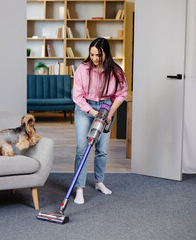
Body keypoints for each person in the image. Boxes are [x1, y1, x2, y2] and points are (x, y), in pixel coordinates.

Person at [72, 37, 127, 204]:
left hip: (105, 107)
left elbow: (121, 94)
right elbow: (77, 96)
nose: (94, 59)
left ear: (106, 54)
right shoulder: (83, 69)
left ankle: (99, 182)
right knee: (82, 148)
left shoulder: (116, 71)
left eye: (98, 55)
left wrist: (109, 112)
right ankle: (79, 188)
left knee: (101, 150)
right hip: (84, 109)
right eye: (92, 54)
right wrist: (93, 111)